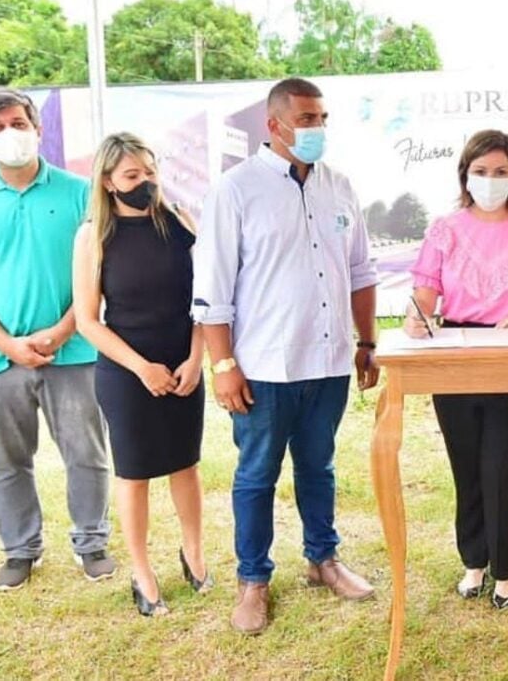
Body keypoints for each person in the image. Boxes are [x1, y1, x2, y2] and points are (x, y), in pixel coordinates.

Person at [193, 77, 379, 635]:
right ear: (273, 125)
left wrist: (366, 342)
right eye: (305, 118)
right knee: (257, 475)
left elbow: (362, 272)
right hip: (263, 368)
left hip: (328, 362)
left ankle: (324, 559)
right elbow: (213, 289)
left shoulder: (340, 186)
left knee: (319, 467)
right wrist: (222, 365)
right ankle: (253, 581)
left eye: (322, 118)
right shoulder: (236, 189)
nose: (316, 128)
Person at [0, 87, 114, 591]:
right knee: (7, 461)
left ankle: (92, 542)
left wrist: (63, 329)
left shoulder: (81, 192)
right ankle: (20, 550)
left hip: (74, 350)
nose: (10, 134)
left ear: (38, 129)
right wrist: (7, 343)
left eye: (18, 123)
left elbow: (98, 271)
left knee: (86, 451)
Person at [404, 129, 508, 610]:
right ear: (465, 175)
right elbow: (426, 288)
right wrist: (417, 316)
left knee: (504, 464)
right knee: (466, 464)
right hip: (454, 352)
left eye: (500, 172)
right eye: (480, 171)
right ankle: (473, 561)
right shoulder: (445, 229)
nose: (490, 180)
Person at [73, 133, 211, 617]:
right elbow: (88, 320)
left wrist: (197, 359)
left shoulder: (179, 223)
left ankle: (193, 553)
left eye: (150, 173)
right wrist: (140, 368)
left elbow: (206, 302)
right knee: (134, 474)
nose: (145, 183)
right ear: (109, 182)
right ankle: (142, 572)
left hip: (184, 364)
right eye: (133, 176)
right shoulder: (94, 235)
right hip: (127, 370)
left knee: (185, 464)